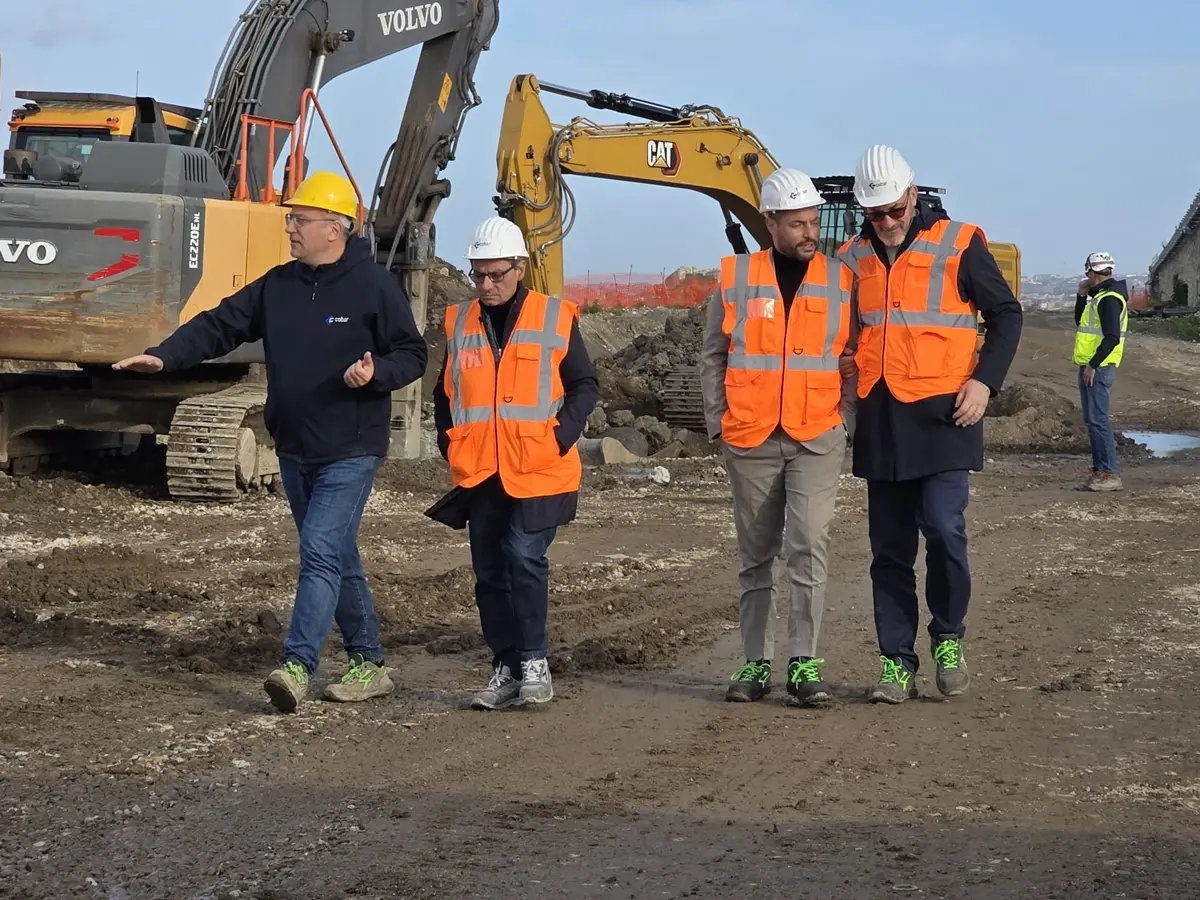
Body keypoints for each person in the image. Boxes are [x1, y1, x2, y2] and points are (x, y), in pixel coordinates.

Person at [112, 171, 427, 713]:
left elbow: (413, 354)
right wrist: (165, 354)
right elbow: (219, 325)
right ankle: (369, 663)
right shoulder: (278, 286)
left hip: (351, 448)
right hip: (295, 446)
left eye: (299, 219)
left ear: (335, 227)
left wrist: (375, 373)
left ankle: (297, 666)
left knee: (320, 553)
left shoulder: (374, 286)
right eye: (291, 218)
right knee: (335, 554)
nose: (290, 228)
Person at [836, 145, 1023, 703]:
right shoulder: (850, 259)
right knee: (888, 550)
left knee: (944, 530)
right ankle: (896, 660)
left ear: (913, 196)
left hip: (947, 414)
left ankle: (947, 636)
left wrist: (985, 382)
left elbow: (1007, 314)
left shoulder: (959, 244)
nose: (888, 223)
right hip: (882, 418)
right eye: (876, 215)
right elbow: (841, 338)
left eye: (895, 210)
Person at [698, 167, 857, 706]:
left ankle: (805, 661)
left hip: (817, 435)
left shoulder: (841, 280)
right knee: (756, 554)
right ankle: (755, 664)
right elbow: (713, 356)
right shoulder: (737, 279)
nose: (809, 233)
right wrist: (719, 419)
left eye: (813, 223)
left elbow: (853, 358)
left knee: (808, 544)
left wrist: (847, 421)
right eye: (797, 225)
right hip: (751, 436)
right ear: (770, 223)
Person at [430, 216, 598, 709]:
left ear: (519, 268)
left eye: (496, 274)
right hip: (481, 469)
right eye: (478, 275)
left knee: (524, 555)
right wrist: (449, 441)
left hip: (541, 466)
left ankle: (533, 661)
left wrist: (561, 435)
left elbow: (585, 386)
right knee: (489, 572)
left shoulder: (553, 317)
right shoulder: (459, 321)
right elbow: (446, 392)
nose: (486, 284)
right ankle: (505, 666)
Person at [1074, 251, 1128, 492]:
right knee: (1092, 421)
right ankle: (1100, 471)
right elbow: (1081, 323)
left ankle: (1109, 473)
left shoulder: (1109, 299)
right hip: (1091, 365)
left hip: (1099, 367)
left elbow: (1112, 338)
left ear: (1092, 272)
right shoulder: (1099, 297)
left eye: (1088, 273)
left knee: (1099, 421)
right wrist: (1080, 296)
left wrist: (1093, 365)